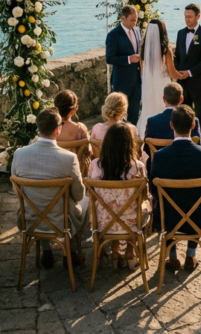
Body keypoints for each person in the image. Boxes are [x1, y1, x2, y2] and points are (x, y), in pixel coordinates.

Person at [11, 108, 88, 269]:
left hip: (30, 220)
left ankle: (47, 251)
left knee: (41, 203)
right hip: (61, 221)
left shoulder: (19, 154)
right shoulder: (69, 158)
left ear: (39, 128)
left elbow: (16, 190)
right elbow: (79, 195)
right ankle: (71, 249)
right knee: (86, 201)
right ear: (57, 129)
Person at [148, 105, 201, 271]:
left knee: (165, 204)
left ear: (171, 125)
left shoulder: (160, 156)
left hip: (169, 219)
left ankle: (172, 257)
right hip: (199, 218)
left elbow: (153, 190)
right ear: (193, 126)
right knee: (200, 202)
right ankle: (191, 254)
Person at [87, 123, 153, 270]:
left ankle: (115, 251)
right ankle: (130, 252)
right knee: (140, 207)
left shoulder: (95, 165)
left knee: (111, 210)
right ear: (130, 143)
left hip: (103, 223)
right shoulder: (138, 167)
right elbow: (144, 197)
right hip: (131, 222)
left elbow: (88, 194)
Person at [135, 19, 184, 138]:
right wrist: (181, 75)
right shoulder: (166, 50)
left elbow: (142, 71)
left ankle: (146, 138)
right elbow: (172, 73)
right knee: (164, 111)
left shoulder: (143, 50)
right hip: (163, 85)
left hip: (147, 86)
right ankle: (165, 137)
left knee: (148, 111)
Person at [174, 4, 201, 146]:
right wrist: (178, 72)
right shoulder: (180, 33)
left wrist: (189, 73)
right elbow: (177, 56)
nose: (187, 19)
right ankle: (186, 143)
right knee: (184, 115)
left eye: (189, 17)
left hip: (198, 82)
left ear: (198, 16)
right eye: (185, 16)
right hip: (182, 83)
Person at [142, 82, 201, 172]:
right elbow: (198, 147)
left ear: (163, 99)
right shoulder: (193, 120)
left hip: (160, 171)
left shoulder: (152, 122)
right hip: (188, 168)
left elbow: (146, 150)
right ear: (182, 99)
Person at [105, 5, 143, 124]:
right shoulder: (113, 35)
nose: (134, 22)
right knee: (120, 114)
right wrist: (128, 59)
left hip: (136, 80)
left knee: (134, 112)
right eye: (132, 19)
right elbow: (109, 58)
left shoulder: (138, 31)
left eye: (136, 19)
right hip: (121, 80)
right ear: (123, 18)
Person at [54, 89, 92, 177]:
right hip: (76, 173)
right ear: (73, 110)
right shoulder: (80, 128)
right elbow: (89, 152)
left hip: (55, 173)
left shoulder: (49, 129)